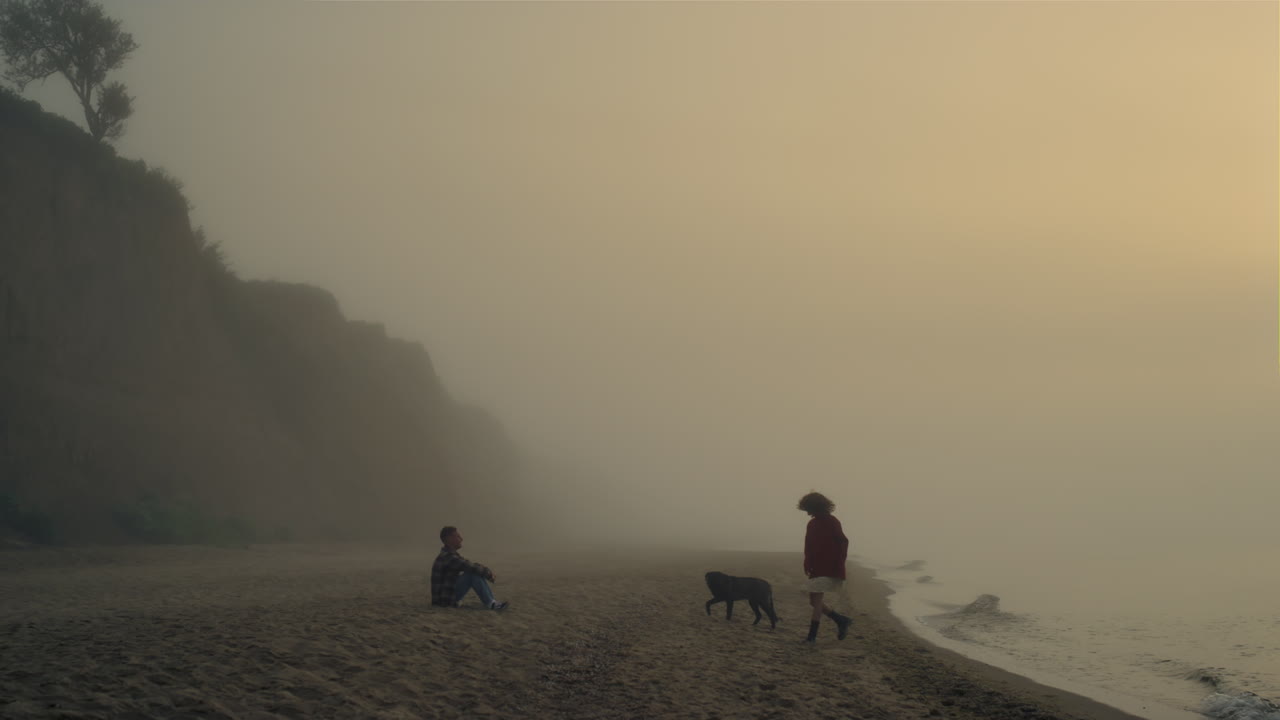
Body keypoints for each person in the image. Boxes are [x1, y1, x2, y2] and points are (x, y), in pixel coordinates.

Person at [798, 491, 853, 643]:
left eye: (809, 508)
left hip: (830, 567)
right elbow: (808, 546)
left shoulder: (832, 521)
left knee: (816, 602)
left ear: (816, 507)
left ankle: (811, 637)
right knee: (813, 601)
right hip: (816, 567)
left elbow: (843, 542)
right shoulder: (812, 523)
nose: (807, 512)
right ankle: (841, 620)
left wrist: (839, 563)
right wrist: (807, 563)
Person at [431, 526, 508, 610]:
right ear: (449, 539)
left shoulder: (449, 555)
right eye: (458, 536)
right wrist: (489, 574)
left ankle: (492, 602)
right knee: (472, 574)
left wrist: (485, 570)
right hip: (444, 601)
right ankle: (491, 603)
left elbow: (468, 564)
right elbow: (470, 567)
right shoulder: (448, 557)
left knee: (474, 571)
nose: (461, 539)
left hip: (443, 599)